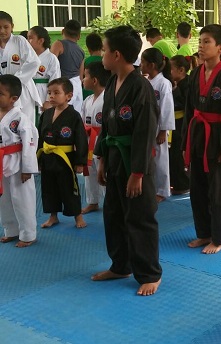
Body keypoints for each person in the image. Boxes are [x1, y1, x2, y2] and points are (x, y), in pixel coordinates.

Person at [91, 26, 162, 296]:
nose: (100, 55)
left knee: (140, 217)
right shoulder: (112, 82)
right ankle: (121, 265)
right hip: (115, 159)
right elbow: (106, 126)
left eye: (104, 50)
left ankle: (150, 273)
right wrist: (101, 160)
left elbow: (146, 134)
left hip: (135, 162)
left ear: (116, 54)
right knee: (114, 215)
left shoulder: (141, 87)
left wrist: (138, 173)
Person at [181, 24, 221, 254]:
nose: (201, 45)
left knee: (218, 191)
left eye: (207, 41)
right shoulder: (196, 73)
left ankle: (219, 237)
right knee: (197, 188)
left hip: (218, 136)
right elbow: (189, 109)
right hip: (198, 133)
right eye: (200, 41)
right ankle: (203, 233)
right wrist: (184, 143)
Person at [37, 77, 88, 229]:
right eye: (49, 93)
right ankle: (53, 216)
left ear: (69, 96)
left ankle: (78, 216)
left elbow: (81, 139)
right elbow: (41, 137)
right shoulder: (46, 114)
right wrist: (38, 159)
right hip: (47, 156)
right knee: (49, 187)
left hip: (65, 158)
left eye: (56, 93)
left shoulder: (74, 116)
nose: (51, 96)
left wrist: (80, 162)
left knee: (69, 187)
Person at [0, 75, 39, 247]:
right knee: (4, 200)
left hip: (18, 164)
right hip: (2, 164)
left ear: (14, 99)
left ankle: (28, 234)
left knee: (23, 199)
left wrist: (28, 168)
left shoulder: (21, 119)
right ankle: (11, 230)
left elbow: (30, 144)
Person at [140, 48, 175, 203]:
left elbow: (167, 108)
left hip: (159, 126)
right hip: (147, 126)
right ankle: (151, 187)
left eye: (143, 62)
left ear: (151, 65)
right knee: (149, 159)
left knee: (160, 159)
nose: (140, 65)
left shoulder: (164, 83)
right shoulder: (147, 82)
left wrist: (163, 130)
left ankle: (162, 190)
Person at [0, 11, 41, 125]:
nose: (2, 31)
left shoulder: (19, 41)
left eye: (6, 27)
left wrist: (14, 81)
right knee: (6, 125)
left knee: (25, 124)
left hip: (22, 89)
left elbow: (34, 62)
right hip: (2, 92)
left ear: (12, 26)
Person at [80, 61, 110, 214]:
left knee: (103, 171)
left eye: (85, 76)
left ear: (95, 80)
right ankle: (92, 201)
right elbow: (83, 122)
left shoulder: (108, 99)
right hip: (88, 140)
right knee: (89, 170)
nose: (82, 79)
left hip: (102, 140)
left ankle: (109, 202)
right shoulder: (87, 100)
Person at [50, 19, 85, 113]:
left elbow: (50, 65)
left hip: (62, 86)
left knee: (60, 115)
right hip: (76, 86)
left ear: (62, 31)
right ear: (79, 36)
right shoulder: (81, 51)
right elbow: (81, 76)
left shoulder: (58, 44)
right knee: (75, 115)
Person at [169, 55, 193, 194]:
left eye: (171, 69)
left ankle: (183, 184)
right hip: (173, 122)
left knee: (179, 153)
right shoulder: (173, 84)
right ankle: (175, 182)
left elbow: (186, 104)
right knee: (172, 154)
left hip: (182, 122)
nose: (169, 72)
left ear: (181, 70)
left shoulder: (188, 84)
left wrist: (176, 90)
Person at [27, 26, 61, 120]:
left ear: (41, 41)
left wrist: (49, 100)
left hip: (43, 92)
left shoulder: (51, 58)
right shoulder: (27, 57)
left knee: (42, 120)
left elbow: (55, 80)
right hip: (28, 91)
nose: (27, 40)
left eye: (30, 38)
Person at [79, 32, 103, 100]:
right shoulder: (105, 62)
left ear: (88, 48)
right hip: (102, 92)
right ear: (101, 46)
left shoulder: (86, 61)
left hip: (87, 92)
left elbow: (81, 77)